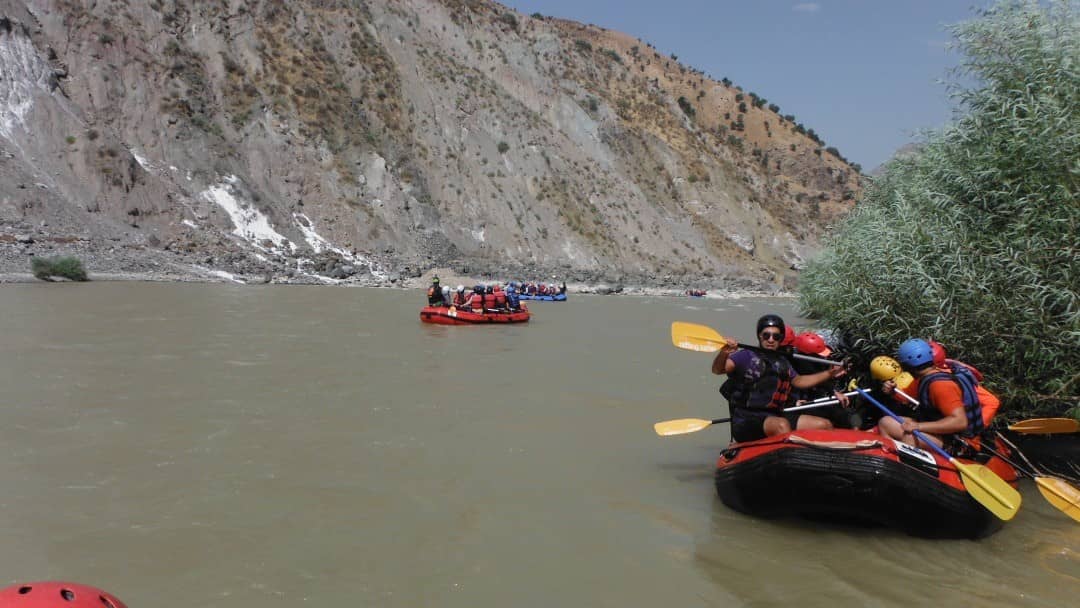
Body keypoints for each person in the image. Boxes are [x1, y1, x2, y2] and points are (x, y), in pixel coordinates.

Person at [712, 314, 847, 442]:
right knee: (781, 426)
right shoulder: (745, 356)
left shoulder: (782, 361)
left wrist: (830, 374)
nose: (771, 339)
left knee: (824, 424)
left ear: (780, 338)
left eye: (776, 336)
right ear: (760, 336)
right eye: (766, 335)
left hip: (775, 414)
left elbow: (799, 381)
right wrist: (723, 353)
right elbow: (718, 370)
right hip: (746, 419)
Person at [877, 338, 1000, 451]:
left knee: (910, 436)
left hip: (960, 442)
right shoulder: (926, 378)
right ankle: (887, 455)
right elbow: (907, 397)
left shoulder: (940, 385)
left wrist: (918, 426)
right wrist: (893, 392)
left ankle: (904, 469)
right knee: (886, 422)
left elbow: (960, 422)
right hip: (944, 434)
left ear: (906, 366)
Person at [789, 331, 853, 429]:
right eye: (818, 355)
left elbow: (820, 382)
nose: (823, 357)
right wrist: (794, 401)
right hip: (798, 404)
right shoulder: (796, 366)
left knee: (845, 414)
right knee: (837, 417)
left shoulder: (813, 365)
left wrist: (834, 392)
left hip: (812, 397)